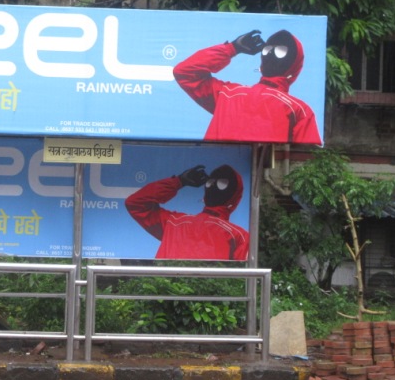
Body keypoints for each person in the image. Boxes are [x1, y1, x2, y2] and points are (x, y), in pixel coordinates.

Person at [173, 29, 322, 145]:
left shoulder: (228, 94)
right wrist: (231, 48)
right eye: (268, 49)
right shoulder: (299, 110)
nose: (270, 54)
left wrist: (233, 48)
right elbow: (306, 165)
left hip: (228, 171)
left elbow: (185, 72)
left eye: (280, 51)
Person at [125, 164, 249, 261]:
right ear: (236, 196)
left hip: (164, 291)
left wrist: (179, 182)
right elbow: (242, 280)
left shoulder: (174, 223)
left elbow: (135, 203)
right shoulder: (238, 236)